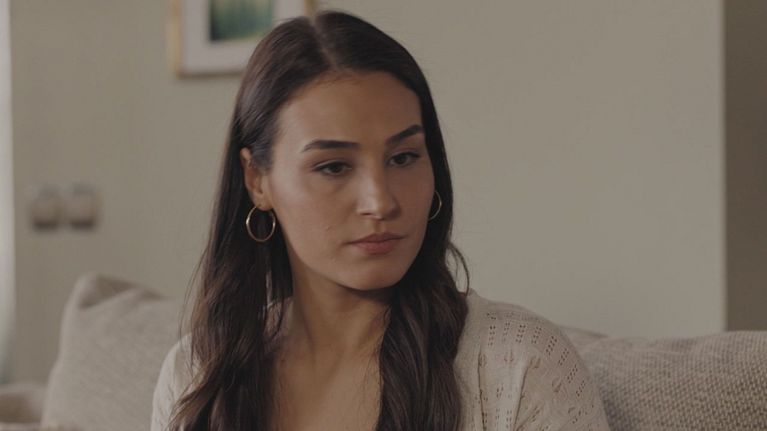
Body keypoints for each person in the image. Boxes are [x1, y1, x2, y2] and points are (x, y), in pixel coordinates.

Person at [151, 10, 610, 431]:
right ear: (257, 180)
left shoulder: (518, 367)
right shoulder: (195, 376)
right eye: (334, 167)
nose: (381, 201)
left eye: (404, 157)